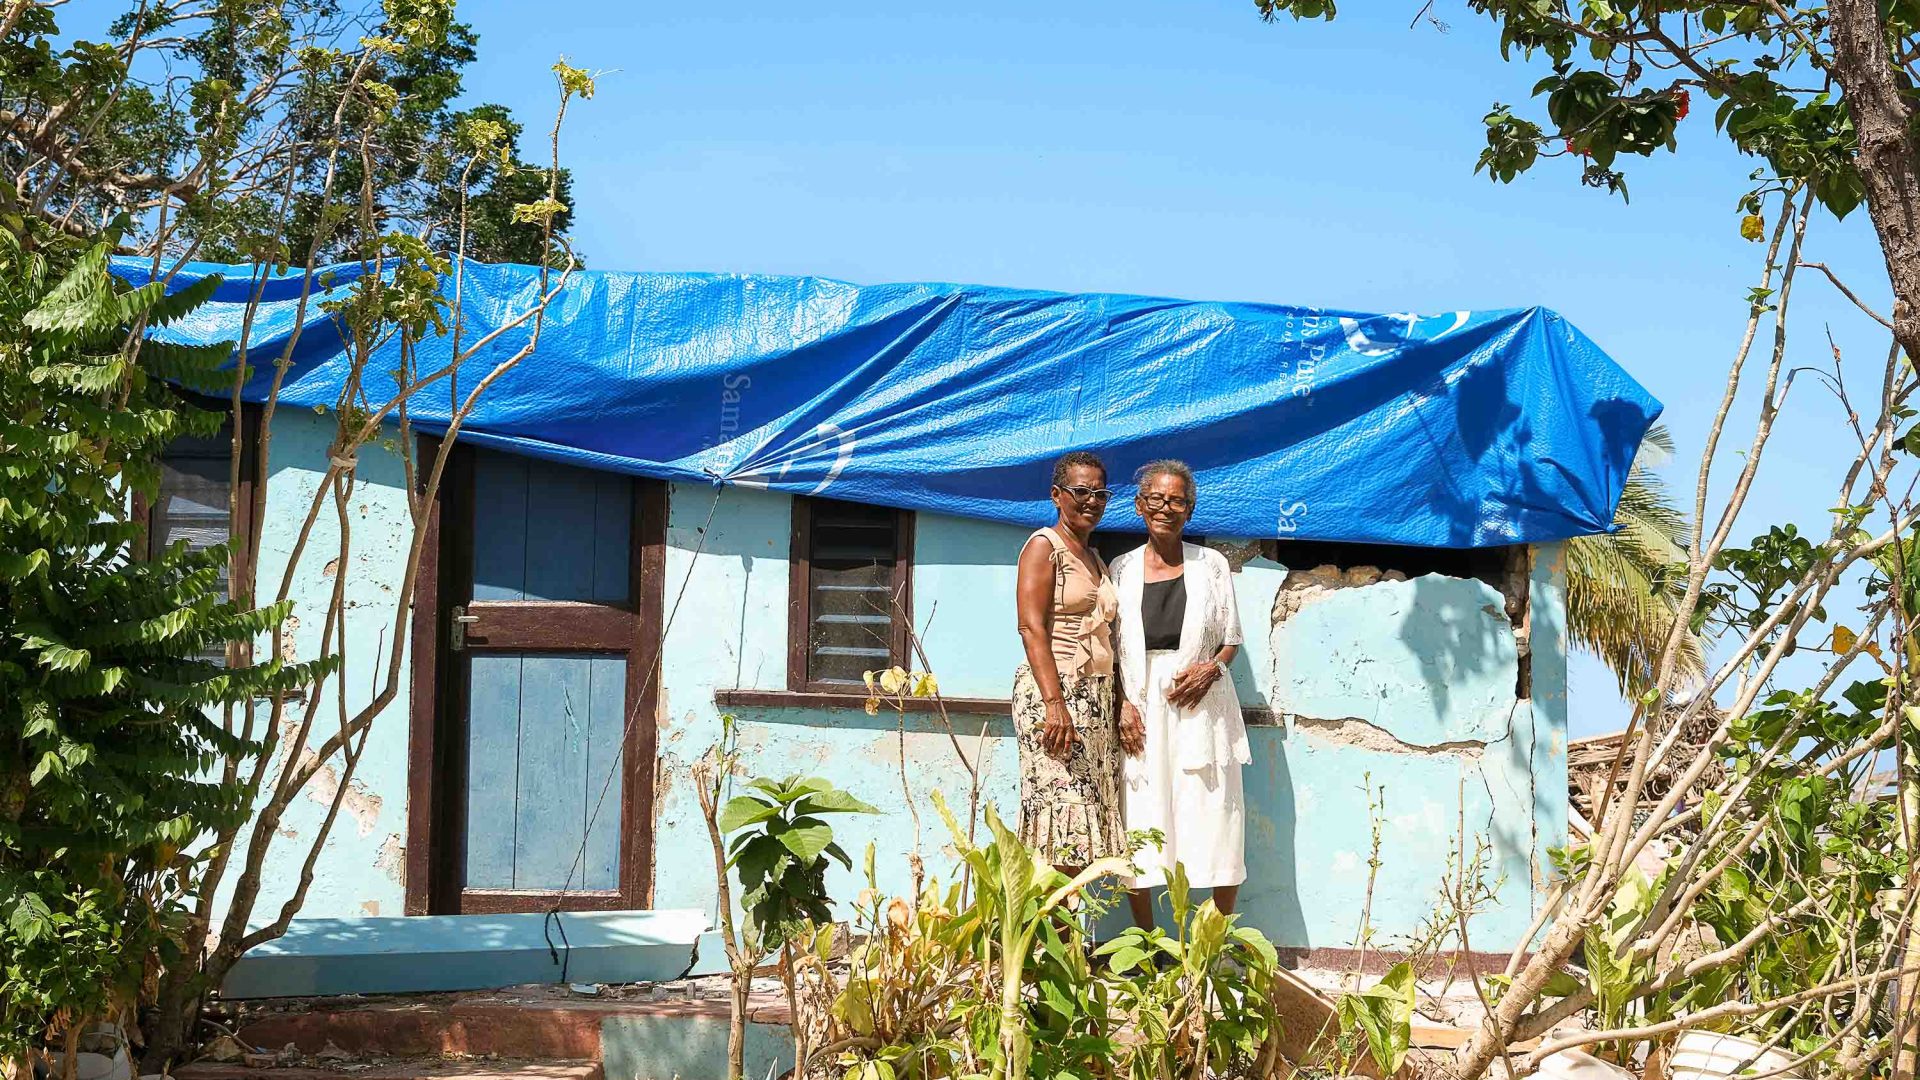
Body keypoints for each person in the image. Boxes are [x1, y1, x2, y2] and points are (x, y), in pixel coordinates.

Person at [1112, 459, 1249, 925]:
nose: (1165, 508)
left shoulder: (1212, 565)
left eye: (1177, 500)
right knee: (1143, 814)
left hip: (1201, 702)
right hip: (1142, 702)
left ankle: (1211, 944)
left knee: (1214, 811)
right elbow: (1109, 647)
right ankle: (1150, 948)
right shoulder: (1121, 568)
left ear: (1190, 509)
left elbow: (1231, 637)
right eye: (1156, 499)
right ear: (1139, 506)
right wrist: (1122, 703)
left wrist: (1211, 669)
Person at [1013, 450, 1127, 871]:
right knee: (1061, 819)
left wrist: (1119, 702)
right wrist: (1055, 705)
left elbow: (1108, 638)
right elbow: (1030, 628)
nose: (1091, 501)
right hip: (1055, 694)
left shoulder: (1094, 559)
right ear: (1056, 495)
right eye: (1080, 491)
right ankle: (1044, 936)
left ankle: (1065, 936)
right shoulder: (1045, 547)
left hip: (1093, 699)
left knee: (1083, 830)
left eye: (1100, 493)